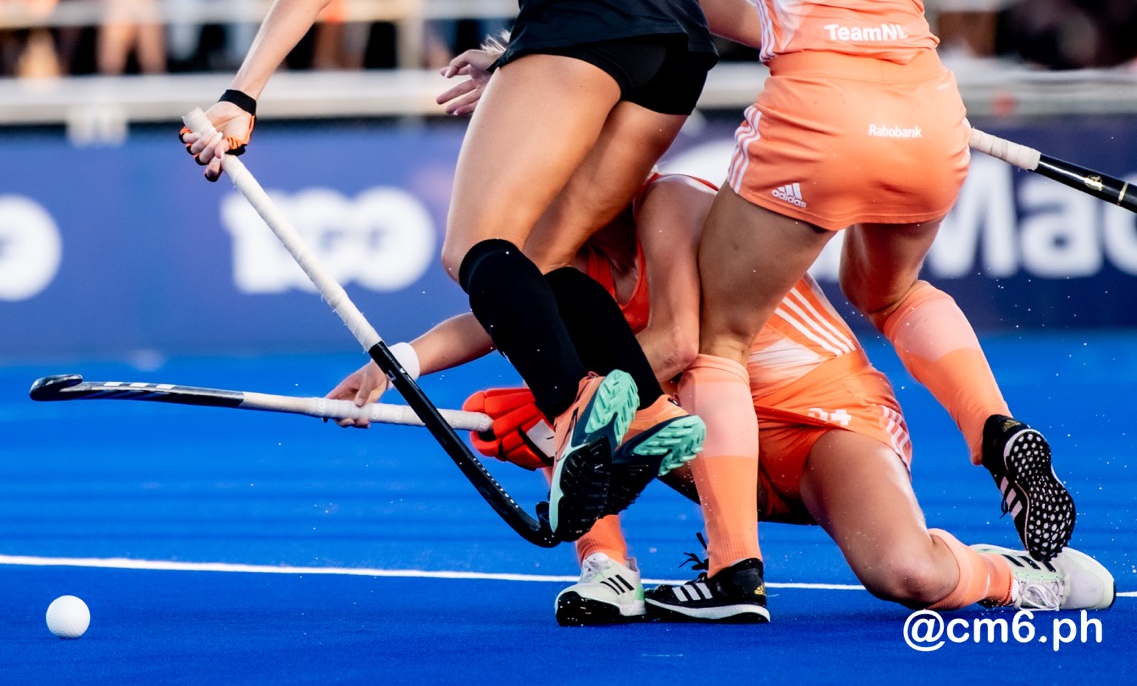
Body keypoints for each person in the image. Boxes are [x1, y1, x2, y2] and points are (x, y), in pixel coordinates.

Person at [179, 0, 750, 540]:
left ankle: (576, 408)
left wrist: (240, 94)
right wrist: (521, 49)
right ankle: (640, 409)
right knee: (545, 258)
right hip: (670, 30)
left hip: (585, 14)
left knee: (475, 247)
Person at [656, 0, 1092, 621]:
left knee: (715, 338)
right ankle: (994, 428)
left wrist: (776, 31)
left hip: (816, 120)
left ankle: (732, 572)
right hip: (927, 116)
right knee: (886, 290)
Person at [327, 164, 1116, 626]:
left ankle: (1015, 575)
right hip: (717, 443)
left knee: (906, 575)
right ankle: (609, 569)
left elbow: (678, 345)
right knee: (560, 386)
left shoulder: (672, 201)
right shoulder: (567, 259)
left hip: (825, 418)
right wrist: (398, 362)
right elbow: (489, 323)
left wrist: (547, 410)